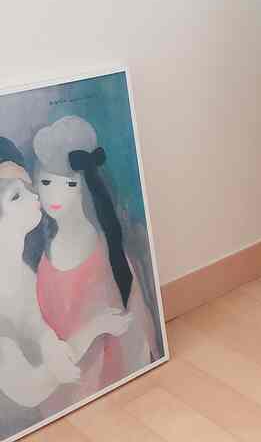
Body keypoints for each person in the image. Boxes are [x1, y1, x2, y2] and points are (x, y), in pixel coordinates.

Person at [0, 142, 128, 438]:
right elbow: (29, 388)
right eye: (15, 195)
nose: (35, 196)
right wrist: (90, 331)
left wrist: (50, 344)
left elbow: (34, 322)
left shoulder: (23, 273)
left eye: (28, 185)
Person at [32, 116, 157, 411]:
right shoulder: (42, 254)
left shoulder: (105, 251)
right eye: (47, 182)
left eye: (69, 183)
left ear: (86, 185)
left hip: (108, 378)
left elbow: (134, 325)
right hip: (62, 385)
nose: (54, 194)